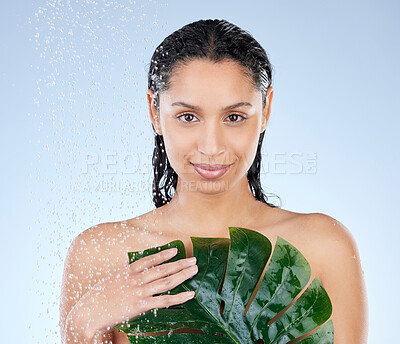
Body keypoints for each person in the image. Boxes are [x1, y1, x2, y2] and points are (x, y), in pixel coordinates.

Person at [59, 19, 368, 343]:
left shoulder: (324, 246)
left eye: (234, 117)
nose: (211, 146)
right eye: (188, 117)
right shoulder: (100, 252)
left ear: (265, 110)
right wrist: (82, 322)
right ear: (155, 112)